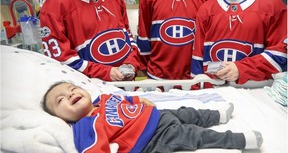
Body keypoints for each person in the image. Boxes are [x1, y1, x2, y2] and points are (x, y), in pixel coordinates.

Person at [42, 81, 263, 152]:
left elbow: (127, 100)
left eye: (72, 89)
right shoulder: (84, 128)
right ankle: (241, 140)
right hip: (154, 139)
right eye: (60, 100)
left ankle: (218, 114)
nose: (70, 94)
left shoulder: (105, 98)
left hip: (156, 115)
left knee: (188, 112)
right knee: (195, 135)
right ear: (60, 118)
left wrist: (140, 101)